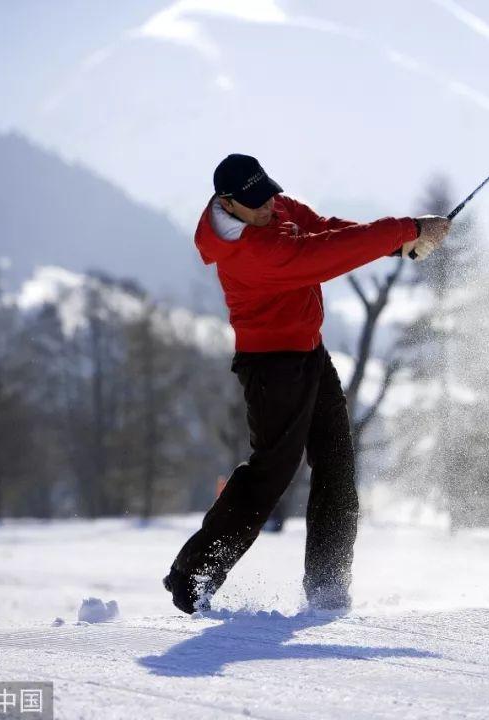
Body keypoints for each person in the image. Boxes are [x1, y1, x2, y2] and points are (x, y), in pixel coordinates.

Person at [164, 154, 450, 613]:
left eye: (270, 195)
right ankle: (192, 575)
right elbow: (323, 256)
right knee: (272, 473)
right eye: (256, 203)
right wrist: (405, 229)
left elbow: (325, 230)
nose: (269, 207)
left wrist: (397, 245)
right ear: (228, 203)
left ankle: (328, 588)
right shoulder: (250, 250)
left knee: (337, 466)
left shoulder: (271, 207)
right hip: (271, 367)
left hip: (310, 354)